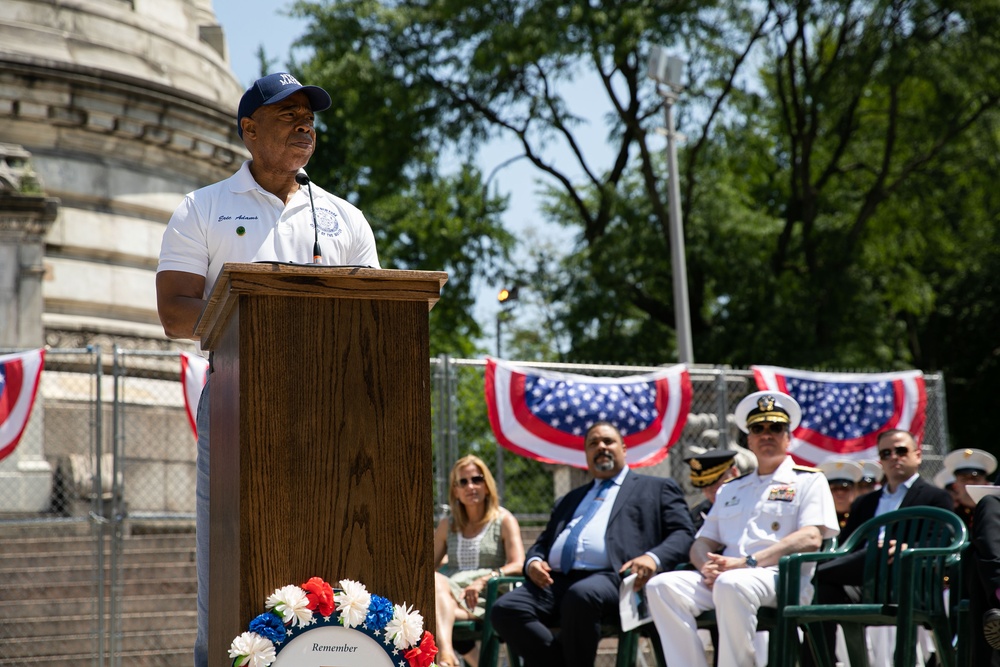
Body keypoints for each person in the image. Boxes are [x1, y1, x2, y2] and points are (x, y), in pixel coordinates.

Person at [155, 72, 380, 667]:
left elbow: (376, 313)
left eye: (309, 114)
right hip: (237, 402)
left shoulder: (346, 218)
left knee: (340, 537)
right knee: (230, 550)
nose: (305, 123)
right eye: (287, 115)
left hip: (338, 411)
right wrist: (257, 307)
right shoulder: (201, 207)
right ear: (249, 130)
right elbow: (176, 311)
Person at [645, 391, 839, 667]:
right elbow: (702, 542)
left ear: (788, 437)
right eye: (758, 428)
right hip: (729, 577)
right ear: (748, 439)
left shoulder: (809, 481)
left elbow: (811, 537)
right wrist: (704, 567)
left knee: (731, 583)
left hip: (780, 577)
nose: (766, 434)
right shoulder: (732, 489)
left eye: (776, 428)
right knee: (661, 586)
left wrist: (746, 563)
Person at [489, 421, 695, 667]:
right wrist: (534, 561)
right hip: (556, 581)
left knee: (581, 596)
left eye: (608, 441)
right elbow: (543, 542)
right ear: (586, 454)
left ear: (624, 449)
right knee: (505, 609)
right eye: (593, 444)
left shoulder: (655, 488)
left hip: (614, 577)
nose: (601, 447)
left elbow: (683, 532)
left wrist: (652, 558)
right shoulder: (570, 499)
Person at [803, 429, 954, 666]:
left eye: (901, 451)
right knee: (822, 590)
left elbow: (940, 543)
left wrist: (907, 547)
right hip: (865, 581)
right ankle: (821, 663)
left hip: (908, 583)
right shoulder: (866, 502)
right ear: (880, 460)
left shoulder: (936, 497)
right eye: (886, 453)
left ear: (917, 455)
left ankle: (808, 574)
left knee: (868, 556)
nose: (894, 457)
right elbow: (847, 547)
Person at [433, 456, 525, 667]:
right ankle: (449, 654)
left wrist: (485, 579)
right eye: (463, 482)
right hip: (450, 595)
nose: (470, 486)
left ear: (487, 485)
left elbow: (518, 563)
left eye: (477, 479)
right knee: (435, 590)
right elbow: (426, 567)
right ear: (455, 490)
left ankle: (447, 657)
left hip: (487, 594)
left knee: (437, 608)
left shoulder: (504, 520)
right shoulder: (448, 524)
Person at [686, 449, 743, 531]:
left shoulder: (754, 502)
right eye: (704, 486)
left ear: (734, 473)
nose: (710, 490)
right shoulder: (698, 514)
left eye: (714, 483)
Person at [944, 447, 997, 529]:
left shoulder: (995, 511)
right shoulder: (948, 511)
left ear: (986, 483)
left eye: (975, 479)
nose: (970, 483)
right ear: (955, 485)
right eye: (964, 479)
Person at [818, 458, 863, 530]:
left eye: (845, 488)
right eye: (834, 489)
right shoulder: (818, 518)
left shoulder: (863, 515)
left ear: (854, 490)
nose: (840, 493)